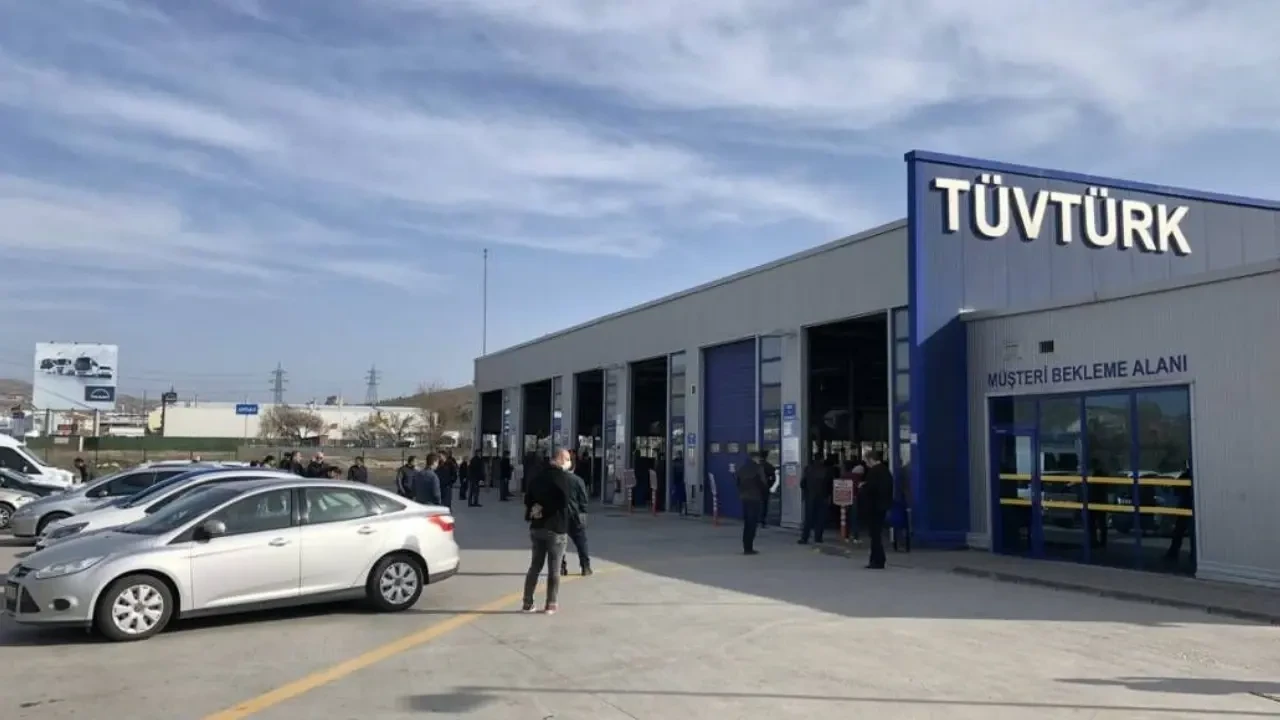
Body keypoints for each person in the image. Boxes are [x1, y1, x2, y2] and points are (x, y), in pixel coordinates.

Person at [522, 448, 573, 614]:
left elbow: (527, 498)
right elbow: (564, 501)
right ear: (560, 459)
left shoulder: (537, 476)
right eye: (567, 459)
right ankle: (551, 603)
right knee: (554, 569)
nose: (569, 462)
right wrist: (548, 509)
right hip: (556, 528)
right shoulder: (562, 478)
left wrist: (536, 509)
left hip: (537, 527)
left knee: (535, 566)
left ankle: (527, 603)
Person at [859, 450, 894, 570]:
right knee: (876, 534)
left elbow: (871, 489)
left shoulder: (874, 472)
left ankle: (877, 560)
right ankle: (877, 559)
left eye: (866, 461)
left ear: (871, 459)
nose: (866, 464)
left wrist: (863, 486)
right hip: (882, 506)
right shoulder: (885, 471)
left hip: (874, 507)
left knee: (875, 535)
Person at [560, 458, 593, 576]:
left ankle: (561, 567)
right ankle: (585, 567)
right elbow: (583, 499)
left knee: (560, 542)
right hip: (575, 515)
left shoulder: (556, 480)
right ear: (574, 468)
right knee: (581, 541)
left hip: (559, 516)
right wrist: (583, 512)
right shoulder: (578, 480)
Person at [734, 452, 768, 555]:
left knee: (747, 523)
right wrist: (764, 493)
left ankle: (746, 546)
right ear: (756, 458)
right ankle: (749, 548)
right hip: (755, 498)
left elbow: (738, 482)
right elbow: (764, 483)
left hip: (744, 497)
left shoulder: (742, 468)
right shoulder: (758, 469)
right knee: (753, 523)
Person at [798, 455, 832, 544]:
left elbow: (802, 483)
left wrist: (807, 492)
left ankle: (804, 538)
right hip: (823, 497)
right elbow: (830, 485)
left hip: (810, 497)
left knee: (808, 518)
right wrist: (828, 495)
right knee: (820, 518)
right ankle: (818, 537)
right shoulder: (826, 470)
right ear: (822, 460)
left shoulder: (808, 469)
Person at [758, 450, 777, 528]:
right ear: (766, 457)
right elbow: (773, 478)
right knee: (764, 505)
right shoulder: (768, 466)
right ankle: (763, 522)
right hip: (764, 488)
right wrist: (769, 485)